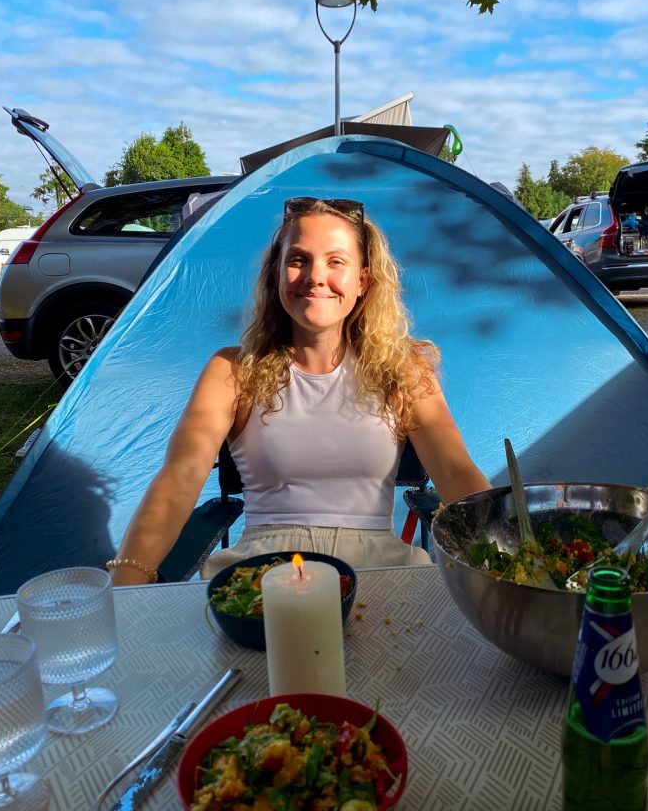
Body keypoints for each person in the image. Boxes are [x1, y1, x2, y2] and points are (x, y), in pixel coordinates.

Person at [106, 197, 491, 586]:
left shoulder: (403, 369)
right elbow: (179, 477)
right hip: (262, 574)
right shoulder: (233, 371)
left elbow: (455, 470)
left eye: (336, 261)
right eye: (298, 259)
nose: (314, 276)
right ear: (276, 275)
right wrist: (126, 580)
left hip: (380, 570)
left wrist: (507, 555)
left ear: (363, 280)